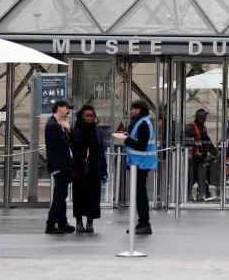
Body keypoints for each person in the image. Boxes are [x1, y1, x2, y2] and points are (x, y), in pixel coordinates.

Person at [113, 100, 156, 235]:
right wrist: (127, 135)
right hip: (139, 162)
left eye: (135, 109)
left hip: (141, 162)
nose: (132, 111)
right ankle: (142, 223)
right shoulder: (140, 122)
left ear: (140, 110)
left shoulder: (143, 123)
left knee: (140, 194)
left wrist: (124, 139)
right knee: (139, 193)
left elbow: (141, 145)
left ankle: (144, 223)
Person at [72, 105, 108, 234]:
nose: (89, 118)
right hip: (80, 169)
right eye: (87, 116)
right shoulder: (76, 130)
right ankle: (79, 221)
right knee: (79, 195)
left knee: (93, 196)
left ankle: (90, 220)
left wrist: (104, 171)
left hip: (94, 169)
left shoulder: (97, 132)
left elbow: (101, 152)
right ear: (82, 116)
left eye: (91, 116)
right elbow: (74, 149)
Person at [44, 100, 75, 234]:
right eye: (67, 108)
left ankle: (61, 222)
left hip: (63, 164)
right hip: (60, 164)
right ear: (59, 108)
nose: (69, 111)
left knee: (60, 195)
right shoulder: (53, 125)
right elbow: (67, 144)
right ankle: (52, 223)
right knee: (59, 195)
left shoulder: (58, 124)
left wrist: (67, 129)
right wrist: (68, 129)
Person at [184, 108, 219, 201]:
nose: (204, 119)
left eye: (205, 117)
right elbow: (186, 143)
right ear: (198, 117)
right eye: (203, 117)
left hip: (200, 158)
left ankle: (204, 194)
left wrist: (215, 153)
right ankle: (190, 195)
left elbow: (207, 142)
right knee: (193, 178)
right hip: (192, 159)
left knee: (200, 176)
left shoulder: (202, 127)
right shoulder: (191, 127)